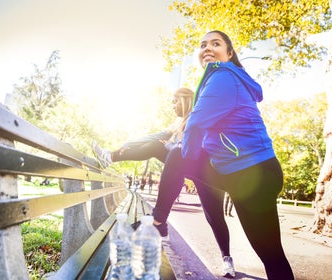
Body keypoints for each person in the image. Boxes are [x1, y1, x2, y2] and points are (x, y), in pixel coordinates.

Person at [152, 31, 294, 280]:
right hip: (237, 171)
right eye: (202, 44)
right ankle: (157, 222)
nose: (207, 48)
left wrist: (188, 163)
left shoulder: (223, 76)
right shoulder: (219, 78)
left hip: (254, 173)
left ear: (229, 54)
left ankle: (157, 223)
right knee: (271, 255)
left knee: (271, 255)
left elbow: (195, 123)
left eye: (215, 44)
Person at [92, 87, 235, 277]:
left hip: (208, 174)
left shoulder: (199, 116)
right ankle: (110, 157)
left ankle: (227, 258)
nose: (172, 105)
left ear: (185, 100)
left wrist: (171, 146)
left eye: (175, 101)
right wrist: (129, 145)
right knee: (159, 149)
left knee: (215, 217)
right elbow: (154, 138)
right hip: (186, 163)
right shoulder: (178, 124)